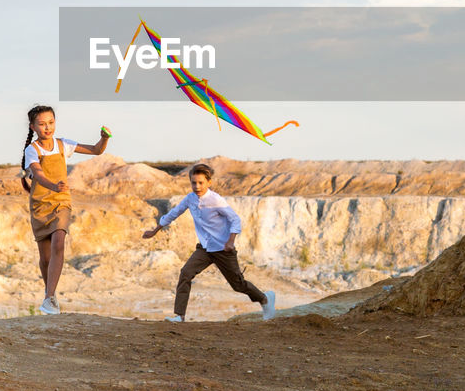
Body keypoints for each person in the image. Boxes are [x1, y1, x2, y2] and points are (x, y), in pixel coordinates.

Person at [142, 163, 275, 323]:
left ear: (208, 182)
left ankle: (265, 299)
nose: (197, 186)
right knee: (185, 273)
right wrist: (155, 230)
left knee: (238, 285)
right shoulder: (190, 198)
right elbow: (173, 213)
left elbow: (235, 219)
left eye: (200, 183)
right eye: (193, 182)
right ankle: (179, 316)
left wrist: (231, 241)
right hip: (205, 249)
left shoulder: (216, 200)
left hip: (223, 249)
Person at [21, 104, 110, 314]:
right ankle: (50, 294)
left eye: (51, 123)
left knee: (59, 241)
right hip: (41, 204)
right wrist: (53, 185)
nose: (47, 128)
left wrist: (104, 138)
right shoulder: (31, 150)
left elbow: (96, 150)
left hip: (62, 201)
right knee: (45, 258)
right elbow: (38, 174)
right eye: (42, 124)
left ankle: (49, 298)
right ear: (33, 126)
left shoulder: (63, 145)